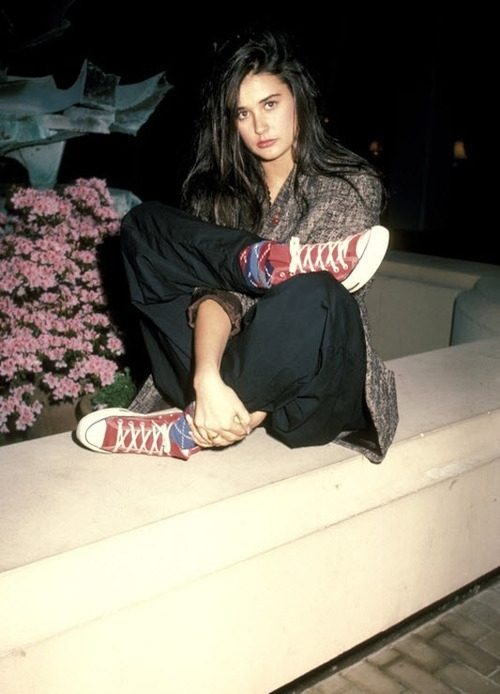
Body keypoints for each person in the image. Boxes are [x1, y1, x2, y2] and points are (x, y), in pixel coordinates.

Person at [76, 30, 398, 463]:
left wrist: (229, 417)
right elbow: (216, 297)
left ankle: (188, 432)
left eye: (270, 104)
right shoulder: (222, 196)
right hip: (222, 366)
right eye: (242, 113)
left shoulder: (348, 185)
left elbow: (311, 323)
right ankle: (262, 263)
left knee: (317, 289)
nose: (259, 127)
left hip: (310, 391)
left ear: (298, 100)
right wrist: (206, 378)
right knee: (142, 223)